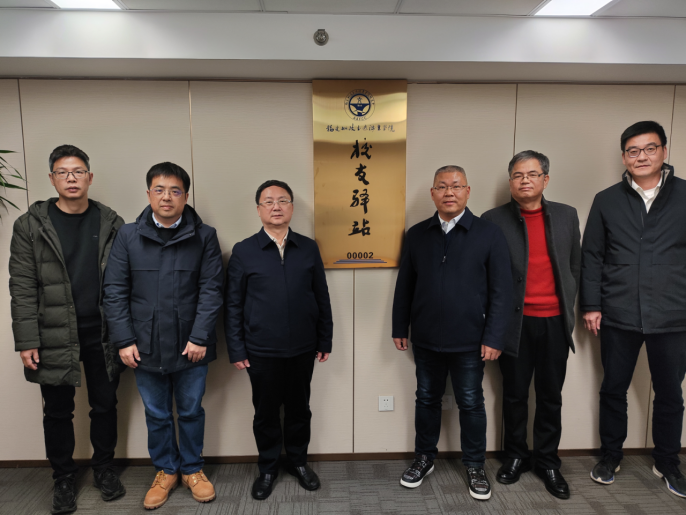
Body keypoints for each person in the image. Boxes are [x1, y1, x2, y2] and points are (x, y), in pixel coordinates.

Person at [9, 144, 126, 515]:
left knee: (105, 404)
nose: (71, 178)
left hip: (103, 331)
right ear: (52, 178)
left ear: (89, 177)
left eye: (77, 171)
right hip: (53, 331)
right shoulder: (29, 225)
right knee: (57, 411)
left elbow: (126, 282)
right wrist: (27, 340)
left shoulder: (111, 222)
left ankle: (104, 468)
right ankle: (62, 477)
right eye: (63, 172)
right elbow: (22, 286)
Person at [103, 162, 223, 510]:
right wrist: (124, 340)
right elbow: (114, 291)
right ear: (148, 194)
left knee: (191, 411)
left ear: (185, 196)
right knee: (156, 414)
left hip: (191, 346)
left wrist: (200, 337)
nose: (166, 197)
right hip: (144, 345)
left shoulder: (205, 236)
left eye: (175, 191)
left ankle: (193, 469)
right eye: (159, 190)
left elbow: (212, 289)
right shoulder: (128, 235)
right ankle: (166, 470)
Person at [391, 165, 513, 500]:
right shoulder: (418, 234)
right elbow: (405, 285)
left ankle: (474, 465)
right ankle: (424, 458)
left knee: (471, 402)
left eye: (456, 186)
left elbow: (502, 291)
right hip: (426, 337)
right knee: (426, 398)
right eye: (442, 186)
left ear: (467, 191)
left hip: (471, 340)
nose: (449, 192)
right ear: (433, 193)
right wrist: (400, 326)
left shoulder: (489, 234)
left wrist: (494, 337)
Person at [581, 120, 686, 498]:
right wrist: (591, 304)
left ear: (664, 151)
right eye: (633, 151)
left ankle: (668, 461)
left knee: (670, 394)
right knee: (613, 389)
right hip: (618, 313)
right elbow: (592, 256)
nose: (642, 156)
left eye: (649, 148)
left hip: (673, 315)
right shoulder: (606, 199)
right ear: (624, 157)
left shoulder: (685, 194)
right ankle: (610, 456)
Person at [225, 179, 333, 501]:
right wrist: (237, 348)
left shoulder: (308, 248)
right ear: (258, 209)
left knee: (300, 409)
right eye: (269, 201)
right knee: (266, 413)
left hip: (303, 347)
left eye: (283, 200)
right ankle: (268, 468)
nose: (276, 207)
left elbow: (322, 296)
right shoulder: (244, 251)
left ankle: (298, 462)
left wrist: (325, 339)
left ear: (292, 208)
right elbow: (233, 305)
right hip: (261, 350)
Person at [481, 151, 580, 499]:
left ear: (545, 180)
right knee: (514, 395)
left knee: (551, 396)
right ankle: (516, 456)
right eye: (518, 175)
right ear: (510, 182)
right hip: (515, 325)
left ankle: (548, 461)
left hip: (555, 322)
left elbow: (575, 266)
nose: (525, 180)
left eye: (532, 174)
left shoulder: (567, 215)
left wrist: (568, 305)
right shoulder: (492, 220)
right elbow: (486, 274)